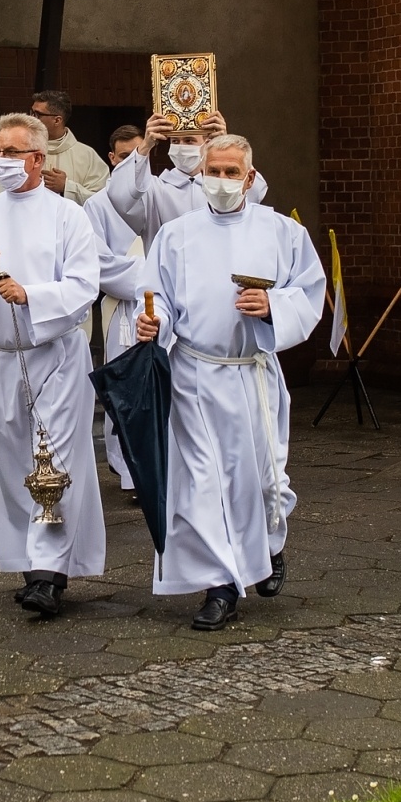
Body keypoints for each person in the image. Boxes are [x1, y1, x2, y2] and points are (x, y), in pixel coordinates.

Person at [135, 134, 324, 630]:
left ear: (249, 176)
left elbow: (308, 292)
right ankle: (220, 585)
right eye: (212, 171)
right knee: (202, 484)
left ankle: (267, 546)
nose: (220, 181)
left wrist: (272, 307)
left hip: (253, 373)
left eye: (230, 172)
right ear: (200, 175)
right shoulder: (175, 235)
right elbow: (156, 295)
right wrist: (152, 322)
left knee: (260, 480)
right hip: (194, 375)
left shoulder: (282, 232)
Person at [0, 114, 104, 618]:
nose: (2, 161)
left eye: (12, 152)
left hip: (54, 354)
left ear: (38, 158)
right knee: (10, 461)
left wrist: (31, 294)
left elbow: (83, 283)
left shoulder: (68, 215)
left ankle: (49, 573)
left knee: (51, 460)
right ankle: (30, 564)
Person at [87, 125, 149, 492]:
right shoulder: (96, 205)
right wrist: (153, 274)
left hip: (166, 308)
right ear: (112, 159)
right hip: (123, 308)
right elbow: (98, 263)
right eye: (124, 158)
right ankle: (129, 474)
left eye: (137, 156)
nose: (130, 164)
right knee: (125, 391)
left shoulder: (159, 194)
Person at [105, 110, 269, 247]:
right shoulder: (153, 189)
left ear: (206, 143)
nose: (181, 146)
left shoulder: (220, 184)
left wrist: (225, 145)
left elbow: (254, 191)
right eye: (175, 140)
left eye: (189, 140)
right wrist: (145, 146)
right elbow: (120, 196)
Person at [29, 90, 110, 206]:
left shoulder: (86, 155)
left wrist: (67, 187)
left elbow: (102, 200)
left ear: (57, 120)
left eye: (37, 114)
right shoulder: (21, 151)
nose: (31, 119)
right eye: (31, 112)